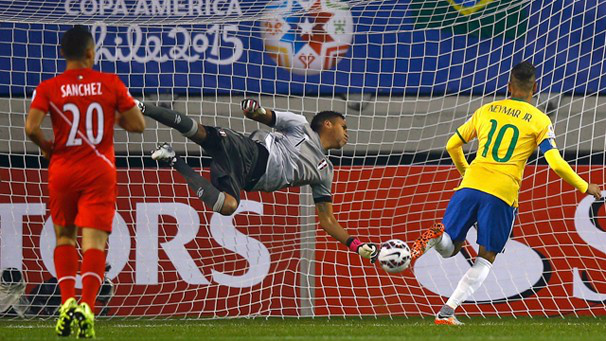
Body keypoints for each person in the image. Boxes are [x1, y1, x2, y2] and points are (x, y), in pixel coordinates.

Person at [409, 61, 602, 325]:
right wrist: (585, 186)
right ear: (535, 87)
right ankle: (447, 312)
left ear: (508, 86)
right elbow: (555, 163)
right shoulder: (539, 119)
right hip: (501, 192)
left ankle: (438, 237)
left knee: (450, 247)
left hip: (470, 185)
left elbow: (452, 145)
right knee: (486, 257)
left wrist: (466, 172)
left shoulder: (486, 110)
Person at [139, 98, 378, 262]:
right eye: (343, 126)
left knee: (228, 206)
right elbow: (262, 114)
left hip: (246, 179)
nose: (347, 133)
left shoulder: (325, 171)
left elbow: (327, 221)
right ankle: (142, 107)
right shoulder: (300, 125)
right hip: (250, 152)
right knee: (199, 132)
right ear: (328, 124)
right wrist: (253, 108)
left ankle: (173, 159)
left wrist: (355, 245)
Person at [25, 25, 145, 338]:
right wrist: (112, 117)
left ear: (63, 53)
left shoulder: (49, 86)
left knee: (64, 237)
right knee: (95, 242)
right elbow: (138, 124)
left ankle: (66, 304)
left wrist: (47, 147)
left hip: (63, 168)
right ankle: (88, 308)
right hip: (98, 169)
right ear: (91, 53)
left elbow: (30, 127)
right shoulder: (109, 83)